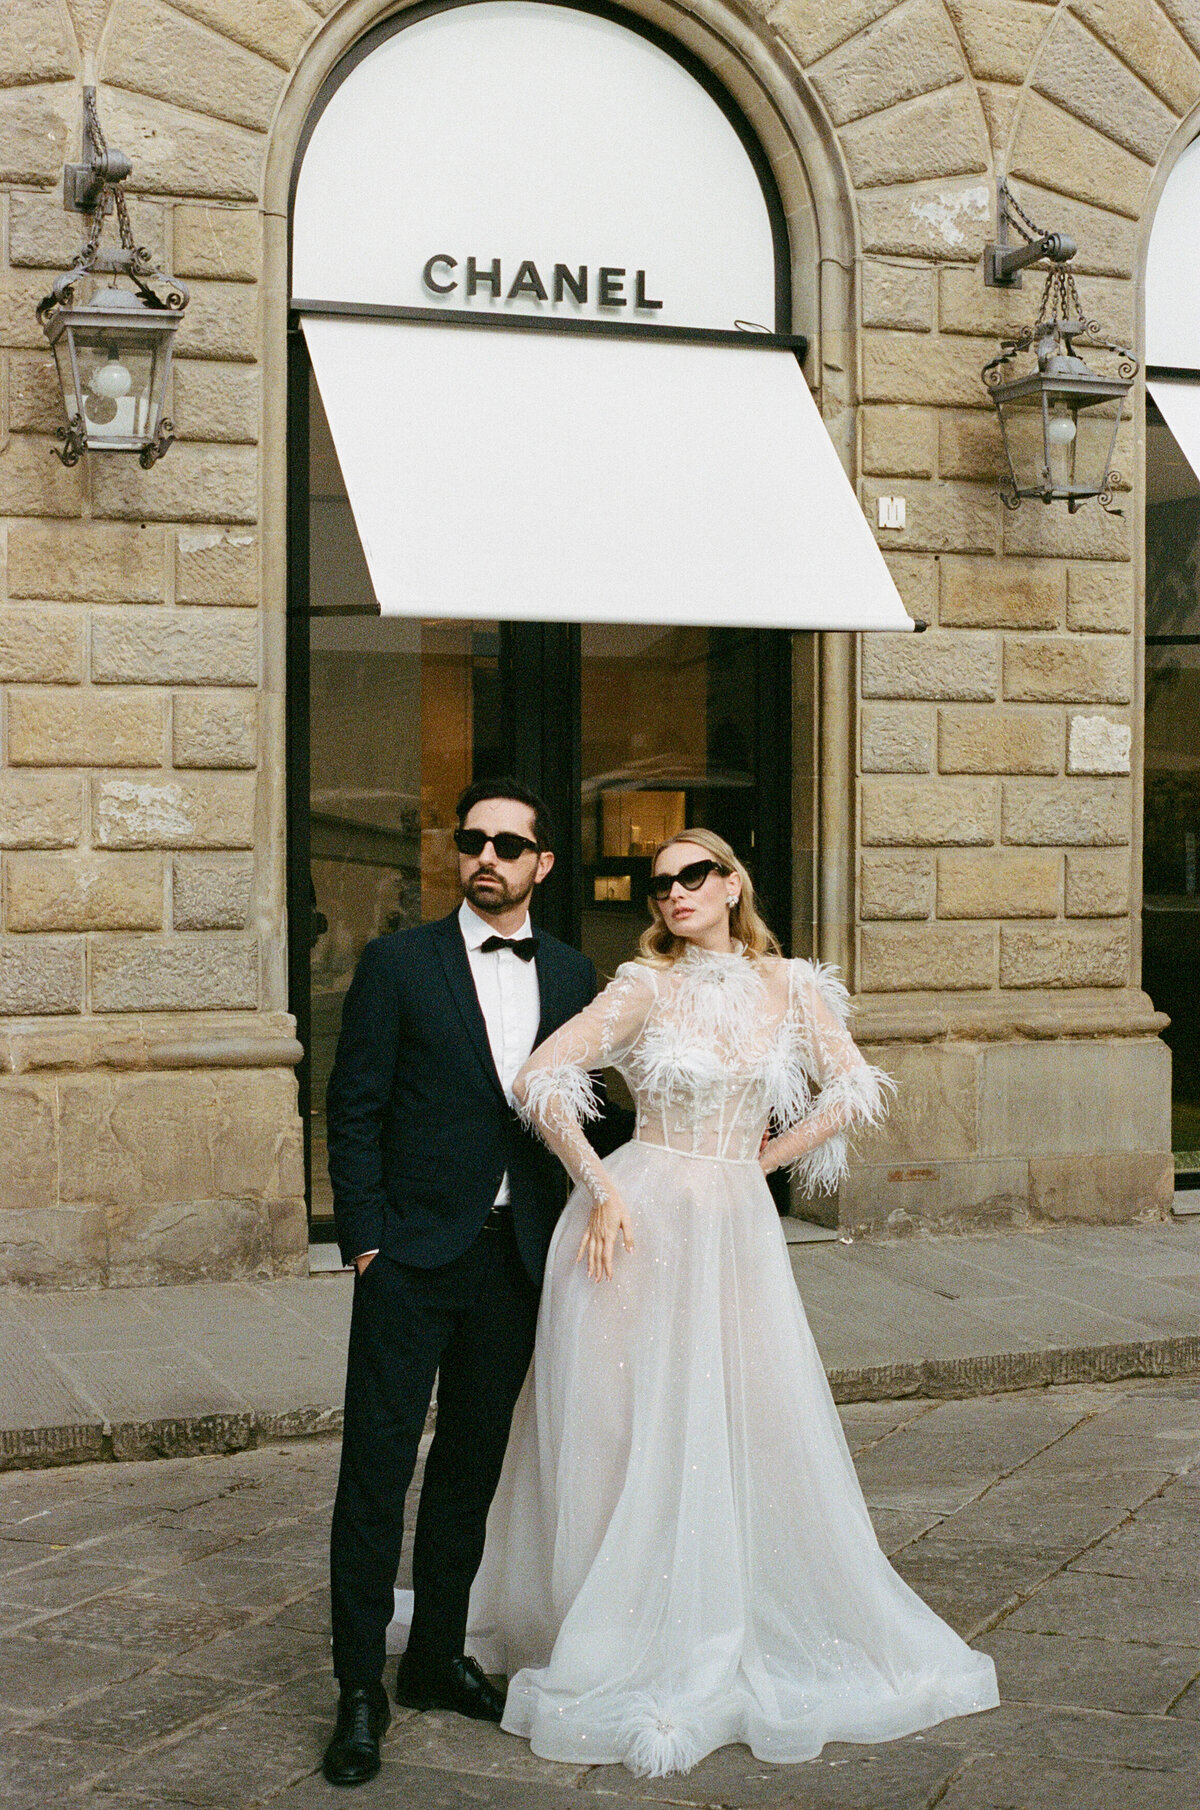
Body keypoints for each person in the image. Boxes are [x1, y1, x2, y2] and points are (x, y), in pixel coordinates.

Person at [464, 827, 1000, 1778]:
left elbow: (851, 1088)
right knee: (623, 1425)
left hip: (735, 1226)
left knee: (748, 1417)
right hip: (637, 1223)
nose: (674, 893)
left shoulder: (792, 985)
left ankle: (721, 1612)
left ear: (731, 883)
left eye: (693, 875)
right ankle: (606, 1622)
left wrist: (762, 1163)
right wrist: (602, 1184)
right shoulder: (643, 985)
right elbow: (540, 1076)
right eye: (658, 882)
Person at [320, 779, 600, 1787]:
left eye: (508, 844)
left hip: (513, 1262)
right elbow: (352, 1106)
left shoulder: (573, 973)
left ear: (542, 865)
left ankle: (436, 1657)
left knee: (469, 1470)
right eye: (472, 840)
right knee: (375, 1474)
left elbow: (594, 1111)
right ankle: (361, 1686)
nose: (486, 856)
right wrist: (364, 1241)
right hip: (409, 1258)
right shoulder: (398, 962)